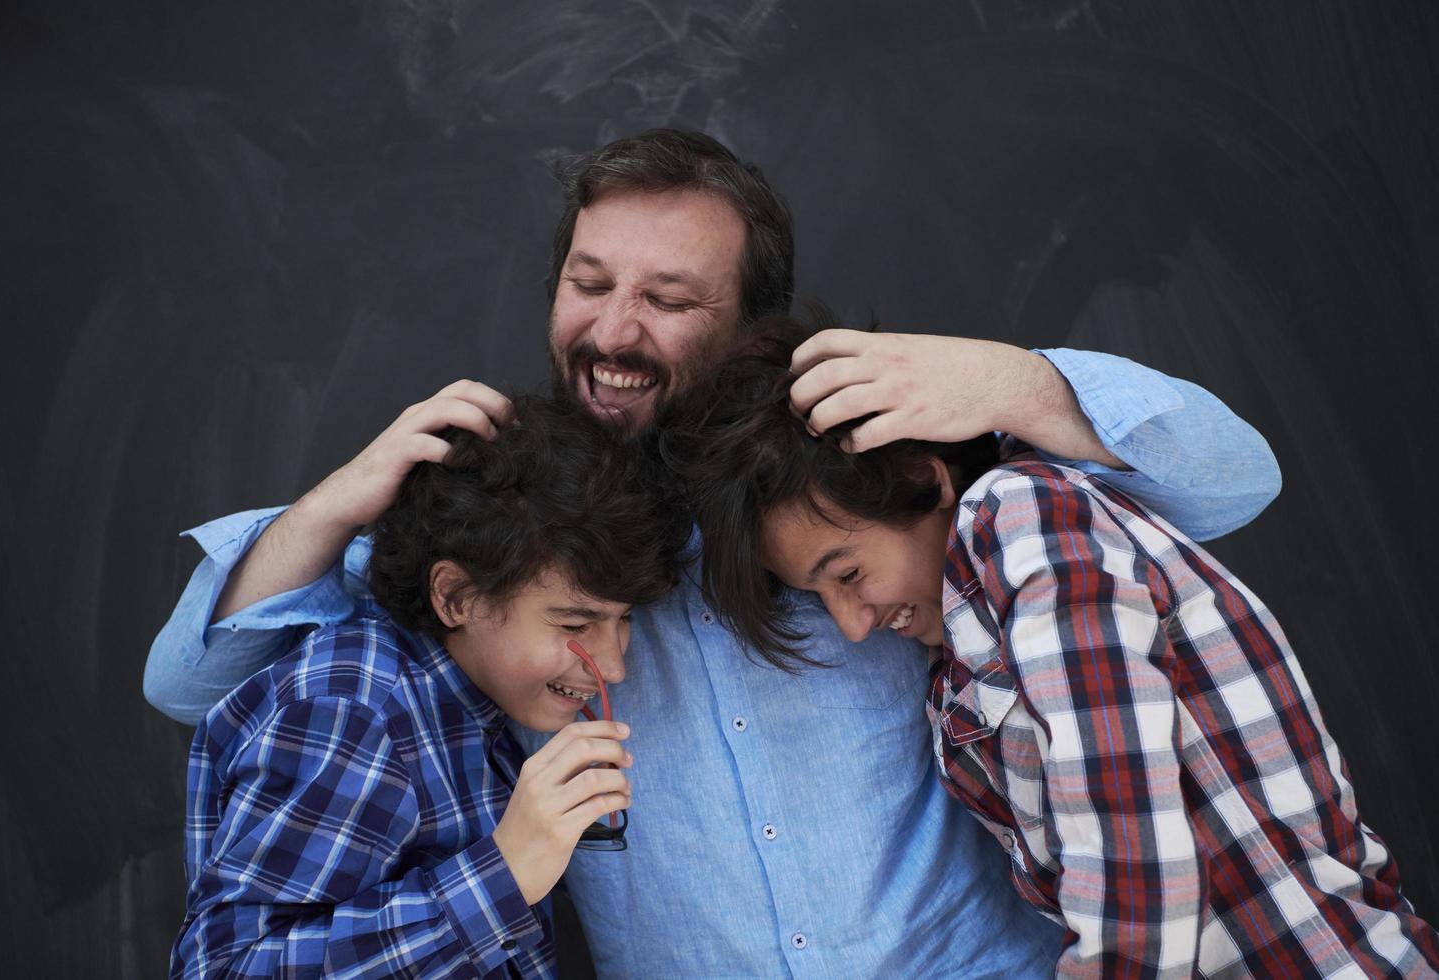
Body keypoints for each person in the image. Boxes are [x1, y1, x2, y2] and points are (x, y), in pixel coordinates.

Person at [145, 129, 1284, 975]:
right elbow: (186, 677)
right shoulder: (506, 539)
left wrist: (1013, 382)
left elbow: (1236, 478)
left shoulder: (860, 470)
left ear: (751, 324)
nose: (612, 331)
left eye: (668, 298)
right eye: (588, 284)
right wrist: (345, 496)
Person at [669, 312, 1439, 977]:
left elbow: (1132, 862)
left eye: (848, 572)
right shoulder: (956, 667)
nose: (853, 623)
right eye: (818, 596)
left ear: (920, 474)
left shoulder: (1019, 514)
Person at [170, 397, 689, 978]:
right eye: (574, 624)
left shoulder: (475, 699)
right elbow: (222, 968)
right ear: (456, 597)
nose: (612, 668)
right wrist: (504, 874)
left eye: (625, 621)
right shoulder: (355, 711)